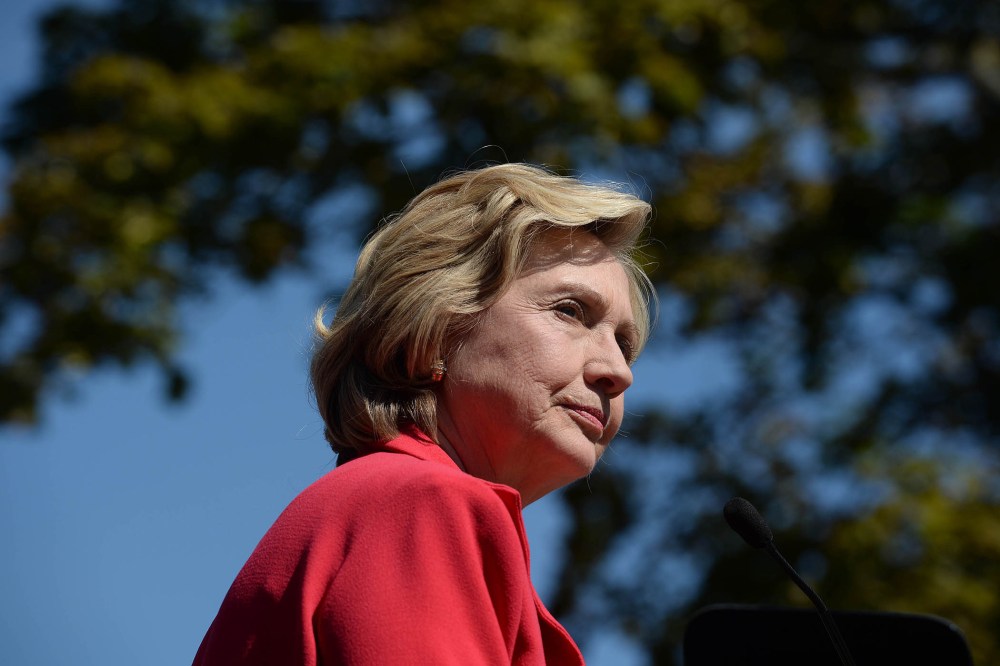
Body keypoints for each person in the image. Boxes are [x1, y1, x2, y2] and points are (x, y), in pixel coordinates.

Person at [193, 163, 654, 665]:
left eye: (624, 345)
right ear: (435, 327)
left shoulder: (402, 507)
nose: (618, 372)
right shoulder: (417, 504)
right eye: (569, 311)